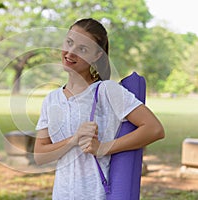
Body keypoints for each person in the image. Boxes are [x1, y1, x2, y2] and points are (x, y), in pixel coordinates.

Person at [34, 18, 165, 200]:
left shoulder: (106, 91)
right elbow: (40, 156)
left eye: (82, 49)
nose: (70, 52)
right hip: (61, 195)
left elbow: (154, 129)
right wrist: (73, 140)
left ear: (97, 55)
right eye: (69, 42)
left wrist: (103, 148)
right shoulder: (51, 99)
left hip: (96, 195)